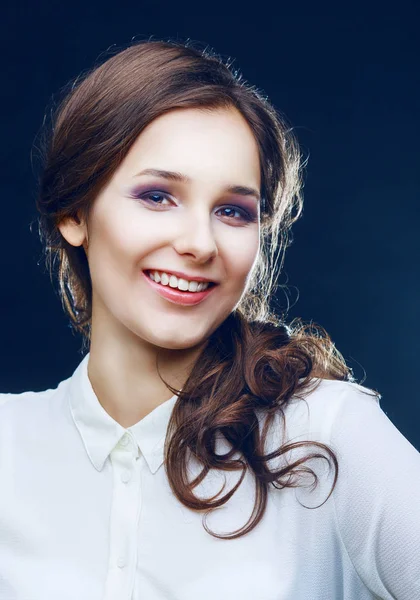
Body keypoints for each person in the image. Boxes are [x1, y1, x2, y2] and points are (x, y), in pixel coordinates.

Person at [0, 38, 419, 600]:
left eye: (232, 211)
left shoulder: (326, 438)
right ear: (74, 213)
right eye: (157, 196)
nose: (200, 243)